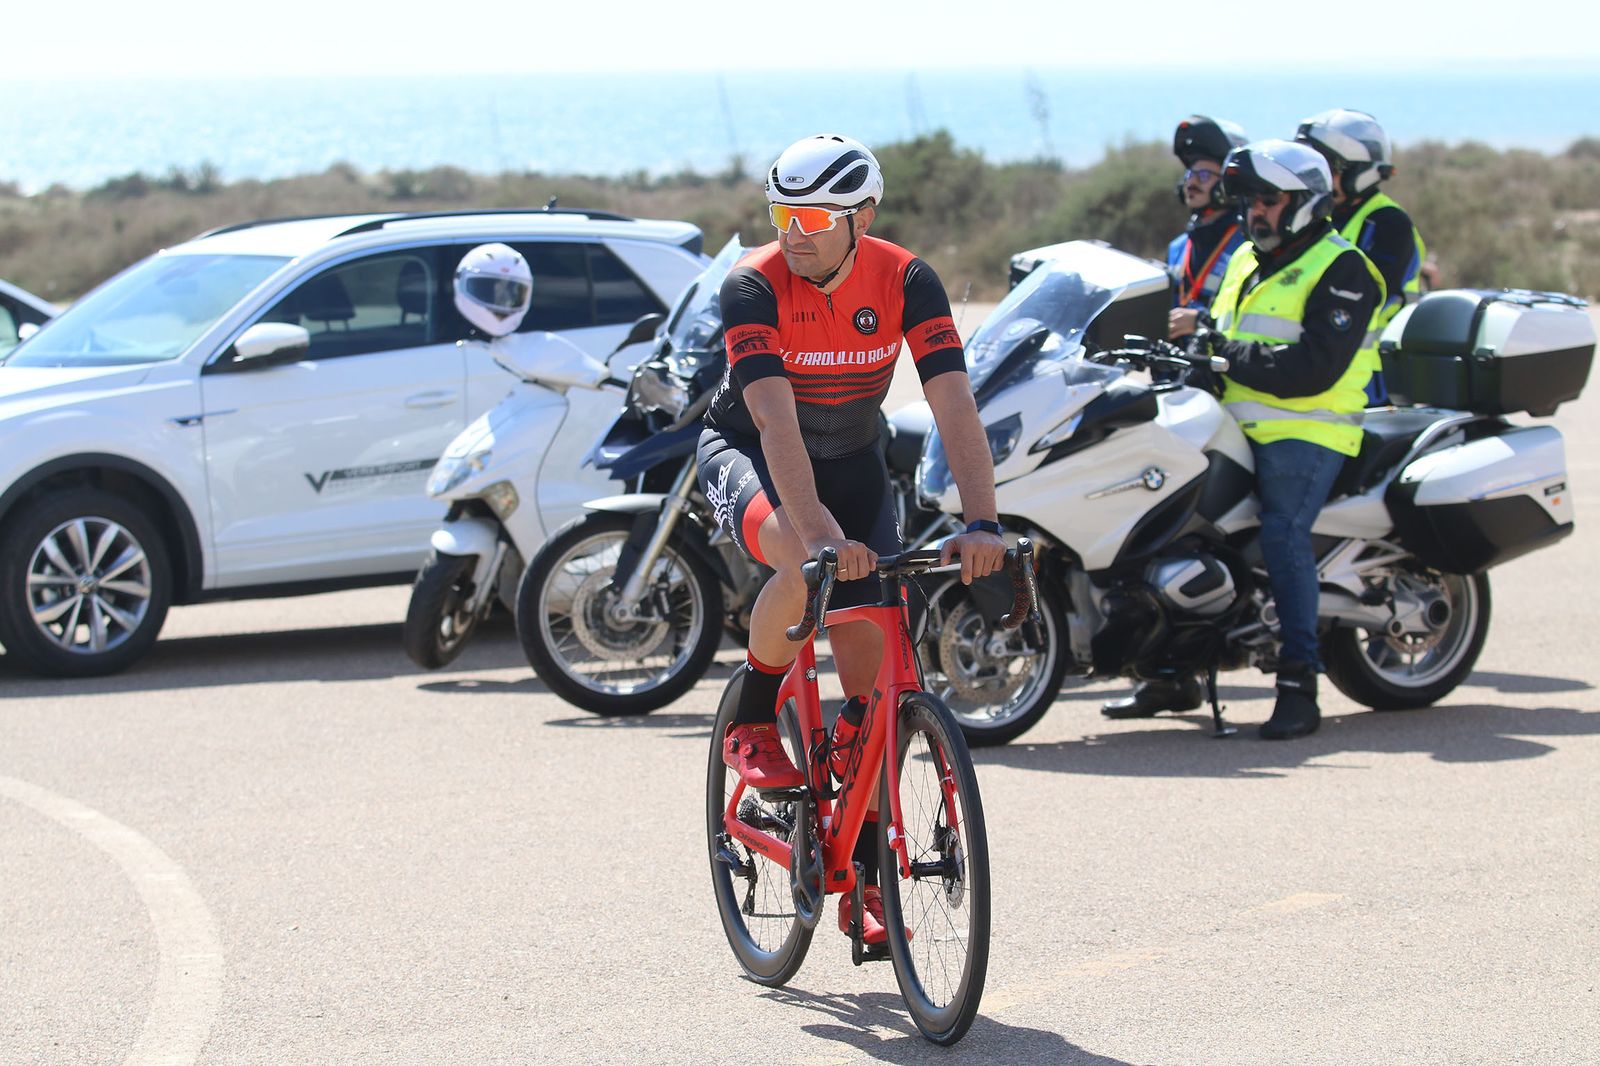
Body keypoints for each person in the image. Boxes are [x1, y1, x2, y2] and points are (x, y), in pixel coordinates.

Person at [699, 134, 1007, 939]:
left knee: (876, 699)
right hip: (749, 454)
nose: (792, 234)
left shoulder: (906, 279)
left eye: (811, 218)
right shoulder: (752, 285)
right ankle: (753, 716)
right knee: (801, 560)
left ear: (861, 217)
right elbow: (774, 421)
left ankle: (867, 876)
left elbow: (953, 404)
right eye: (782, 215)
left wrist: (983, 521)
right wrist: (819, 535)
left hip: (852, 463)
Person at [1170, 139, 1384, 739]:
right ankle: (1169, 674)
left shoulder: (1342, 268)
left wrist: (1221, 353)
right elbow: (1219, 334)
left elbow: (1313, 368)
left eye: (1268, 199)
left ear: (1305, 201)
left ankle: (1299, 683)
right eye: (1249, 200)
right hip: (1230, 420)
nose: (1255, 211)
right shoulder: (1246, 257)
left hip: (1308, 428)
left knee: (1282, 529)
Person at [1295, 109, 1426, 402]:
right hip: (1318, 362)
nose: (1317, 178)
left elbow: (1365, 299)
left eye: (1328, 166)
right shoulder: (1315, 217)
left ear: (1358, 170)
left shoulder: (1387, 224)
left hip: (1370, 378)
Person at [1167, 115, 1250, 310]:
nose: (1191, 183)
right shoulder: (1177, 247)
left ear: (1227, 184)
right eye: (1190, 174)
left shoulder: (1246, 246)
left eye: (1204, 175)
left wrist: (1201, 322)